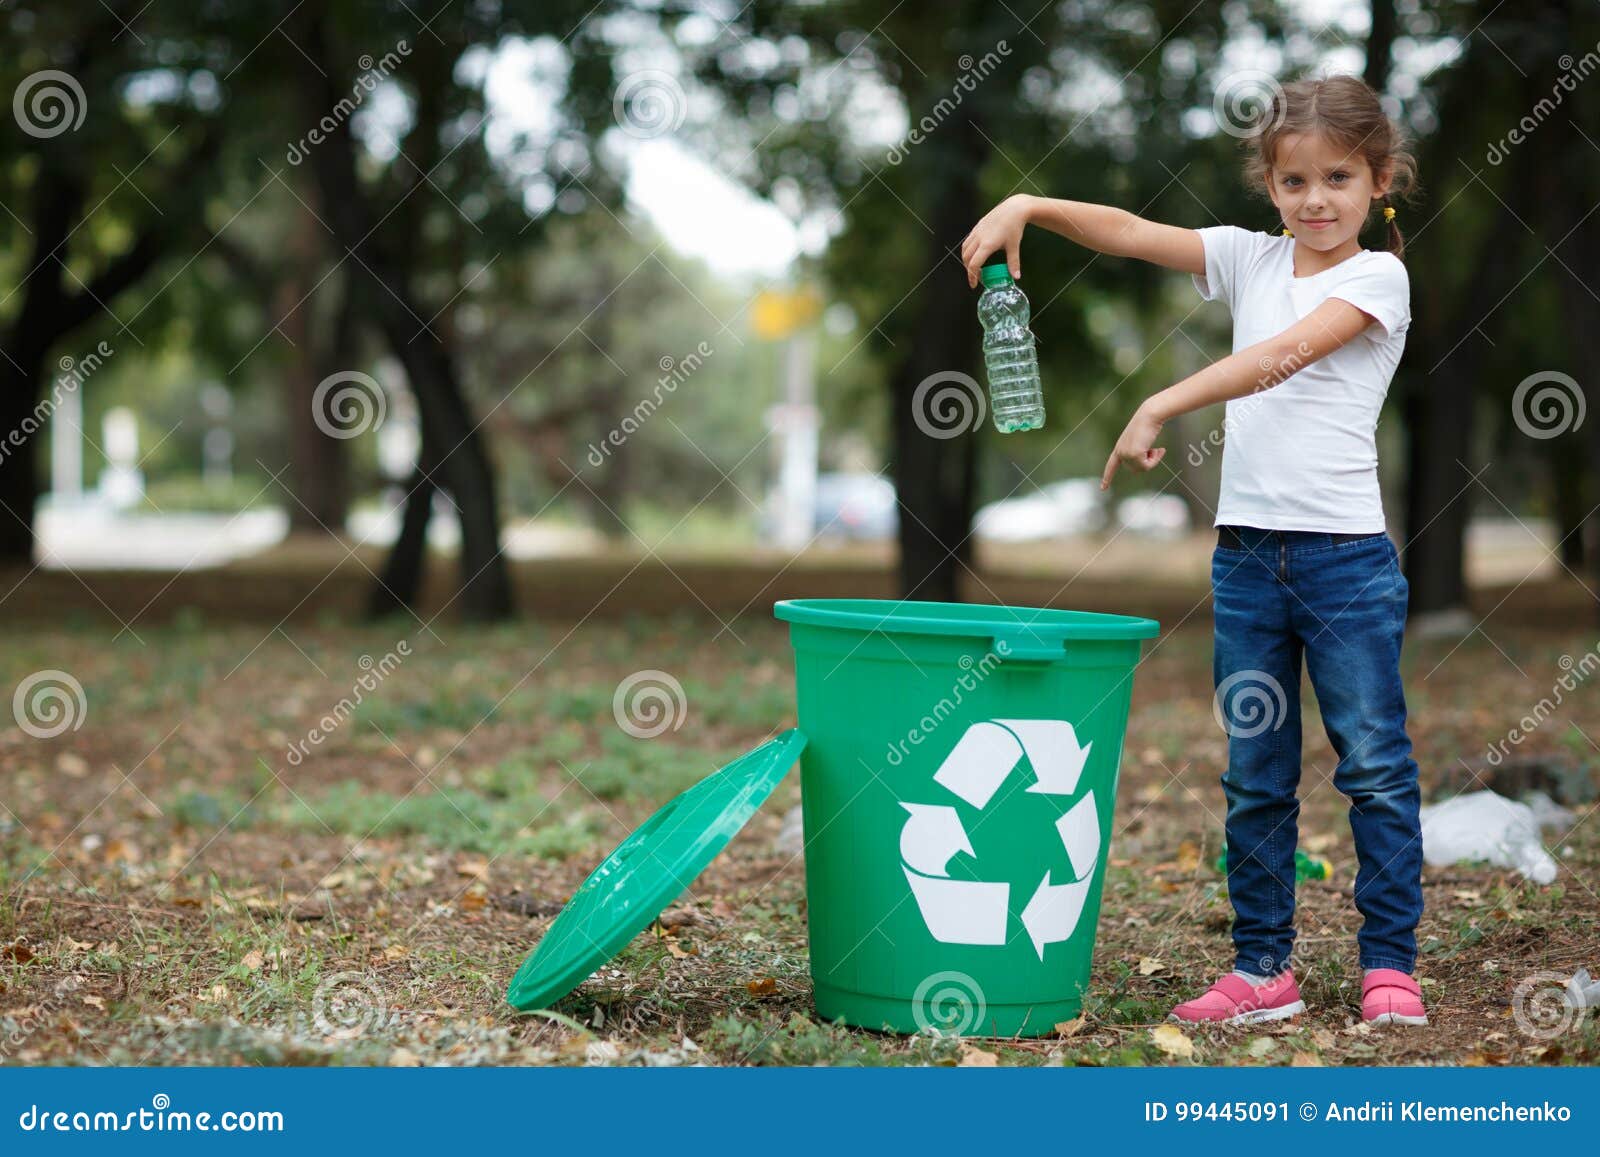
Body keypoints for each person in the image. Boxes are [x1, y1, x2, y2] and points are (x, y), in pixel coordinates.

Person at [960, 73, 1426, 1027]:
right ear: (1271, 187)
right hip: (1248, 560)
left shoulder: (1378, 277)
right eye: (1295, 182)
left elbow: (1285, 354)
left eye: (1340, 178)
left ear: (1378, 181)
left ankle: (1390, 963)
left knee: (1372, 763)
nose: (1317, 200)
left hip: (1345, 564)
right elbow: (1128, 232)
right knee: (1256, 770)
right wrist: (1029, 204)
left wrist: (1164, 400)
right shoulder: (1252, 260)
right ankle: (1263, 968)